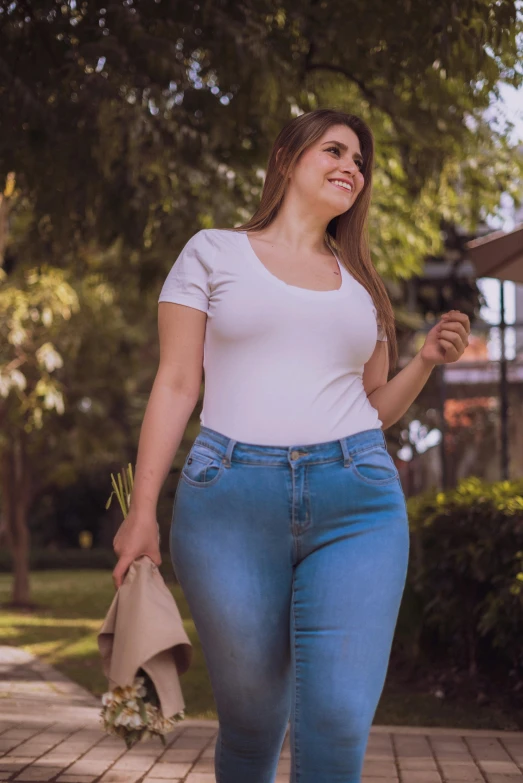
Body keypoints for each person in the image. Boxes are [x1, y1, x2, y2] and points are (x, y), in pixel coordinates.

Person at [112, 108, 470, 783]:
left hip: (357, 502)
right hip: (227, 503)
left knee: (336, 716)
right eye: (334, 150)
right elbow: (178, 379)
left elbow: (371, 407)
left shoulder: (362, 287)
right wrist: (141, 510)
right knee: (251, 716)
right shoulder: (211, 251)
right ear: (284, 158)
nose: (351, 168)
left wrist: (420, 362)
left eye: (360, 161)